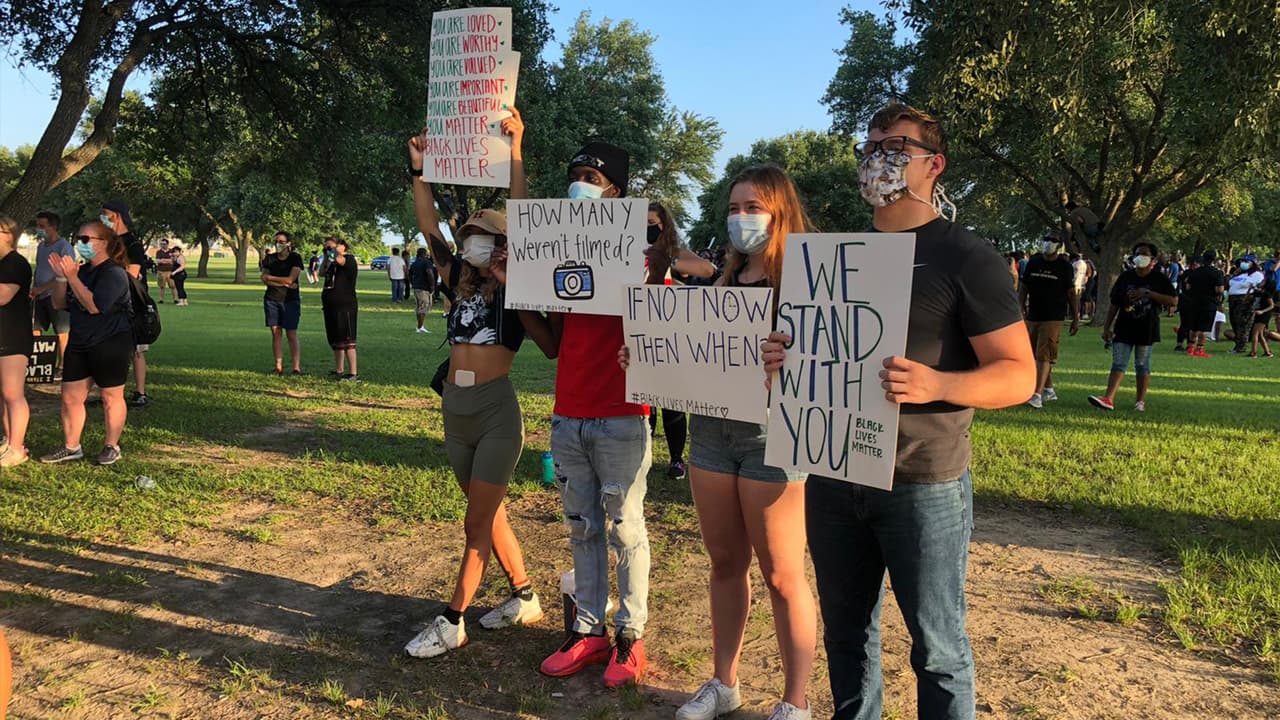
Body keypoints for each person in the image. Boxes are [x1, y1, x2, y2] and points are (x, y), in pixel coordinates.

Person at [764, 102, 1035, 720]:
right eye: (870, 147)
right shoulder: (831, 256)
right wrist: (784, 357)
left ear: (933, 164)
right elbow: (814, 351)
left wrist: (937, 382)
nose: (876, 159)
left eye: (894, 148)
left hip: (922, 482)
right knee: (846, 637)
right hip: (834, 472)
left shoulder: (967, 257)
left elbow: (1018, 374)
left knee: (937, 648)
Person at [627, 166, 816, 720]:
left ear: (781, 212)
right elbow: (686, 358)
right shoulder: (717, 289)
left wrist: (792, 361)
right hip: (710, 439)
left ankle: (795, 701)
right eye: (733, 208)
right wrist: (644, 359)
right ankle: (723, 683)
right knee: (725, 562)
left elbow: (829, 369)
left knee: (783, 575)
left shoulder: (805, 288)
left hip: (772, 441)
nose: (740, 218)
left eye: (752, 207)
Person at [506, 112, 653, 689]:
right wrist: (516, 148)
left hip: (621, 418)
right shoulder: (557, 252)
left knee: (626, 529)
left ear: (616, 191)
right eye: (575, 173)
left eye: (592, 175)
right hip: (569, 417)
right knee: (582, 528)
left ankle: (630, 637)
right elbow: (550, 343)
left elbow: (667, 331)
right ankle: (589, 631)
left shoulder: (639, 257)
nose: (581, 181)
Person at [401, 130, 560, 659]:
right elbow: (428, 226)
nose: (469, 240)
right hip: (455, 411)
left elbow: (523, 213)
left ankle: (453, 620)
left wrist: (516, 152)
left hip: (495, 413)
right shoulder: (455, 280)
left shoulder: (518, 288)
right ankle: (525, 595)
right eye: (467, 234)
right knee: (489, 515)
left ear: (501, 244)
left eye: (480, 234)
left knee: (475, 524)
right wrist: (420, 170)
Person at [41, 220, 134, 465]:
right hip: (80, 342)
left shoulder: (114, 274)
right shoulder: (81, 271)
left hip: (110, 344)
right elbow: (60, 304)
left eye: (85, 239)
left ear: (103, 243)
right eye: (77, 238)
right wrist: (62, 279)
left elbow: (94, 306)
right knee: (70, 397)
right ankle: (72, 447)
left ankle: (111, 445)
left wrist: (72, 277)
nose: (79, 244)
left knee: (110, 397)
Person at [643, 201, 716, 479]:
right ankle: (644, 454)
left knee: (671, 403)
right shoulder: (626, 251)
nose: (647, 229)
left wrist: (666, 262)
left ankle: (676, 459)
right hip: (638, 336)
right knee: (644, 400)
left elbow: (707, 269)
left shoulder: (671, 251)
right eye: (643, 224)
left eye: (652, 223)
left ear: (664, 226)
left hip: (668, 338)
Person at [1088, 242, 1178, 412]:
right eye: (1137, 253)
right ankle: (1108, 398)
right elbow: (1114, 303)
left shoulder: (1159, 278)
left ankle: (1140, 401)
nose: (1140, 257)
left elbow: (1173, 301)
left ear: (1153, 259)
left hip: (1147, 327)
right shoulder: (1126, 277)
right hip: (1124, 326)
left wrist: (1147, 293)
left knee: (1142, 364)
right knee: (1118, 363)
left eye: (1144, 254)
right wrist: (1107, 327)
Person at [1019, 232, 1079, 408]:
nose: (1048, 243)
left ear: (1059, 245)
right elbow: (1024, 286)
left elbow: (1070, 292)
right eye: (1046, 239)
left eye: (1053, 241)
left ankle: (1036, 394)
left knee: (1044, 354)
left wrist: (1075, 316)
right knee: (1033, 354)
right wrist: (1020, 306)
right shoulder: (1034, 262)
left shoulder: (1064, 266)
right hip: (1033, 314)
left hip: (1053, 315)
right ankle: (1049, 389)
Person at [102, 199, 152, 408]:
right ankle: (110, 391)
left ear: (117, 216)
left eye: (106, 214)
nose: (103, 218)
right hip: (110, 301)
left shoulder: (132, 243)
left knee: (137, 349)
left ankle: (140, 392)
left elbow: (133, 272)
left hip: (133, 302)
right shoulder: (108, 242)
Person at [0, 216, 33, 467]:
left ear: (8, 235)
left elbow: (3, 296)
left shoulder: (16, 264)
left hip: (12, 336)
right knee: (3, 394)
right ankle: (8, 441)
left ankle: (17, 447)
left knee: (13, 392)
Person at [31, 211, 73, 376]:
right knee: (35, 328)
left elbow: (66, 274)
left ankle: (63, 366)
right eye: (38, 225)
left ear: (53, 227)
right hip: (38, 296)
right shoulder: (41, 246)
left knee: (62, 331)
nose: (39, 229)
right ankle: (37, 363)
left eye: (42, 226)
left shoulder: (64, 247)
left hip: (57, 296)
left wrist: (44, 288)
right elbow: (40, 269)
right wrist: (35, 288)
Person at [261, 231, 304, 375]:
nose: (278, 244)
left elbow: (291, 279)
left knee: (291, 333)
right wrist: (283, 282)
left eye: (281, 241)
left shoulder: (295, 258)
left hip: (290, 301)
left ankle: (296, 367)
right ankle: (278, 366)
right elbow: (263, 277)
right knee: (275, 332)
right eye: (277, 241)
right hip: (272, 299)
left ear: (289, 243)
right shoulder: (270, 259)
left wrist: (274, 279)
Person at [320, 236, 359, 381]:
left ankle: (353, 373)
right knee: (336, 340)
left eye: (331, 247)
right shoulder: (331, 262)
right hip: (331, 305)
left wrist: (334, 250)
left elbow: (340, 260)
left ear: (342, 246)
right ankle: (339, 370)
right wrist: (325, 254)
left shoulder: (348, 259)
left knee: (348, 340)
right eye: (326, 248)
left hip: (345, 305)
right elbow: (322, 272)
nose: (328, 250)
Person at [1179, 250, 1225, 356]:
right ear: (1214, 259)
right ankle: (1200, 349)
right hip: (1209, 302)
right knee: (1204, 327)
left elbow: (1188, 286)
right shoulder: (1217, 273)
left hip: (1194, 301)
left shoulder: (1195, 272)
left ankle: (1190, 347)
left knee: (1193, 326)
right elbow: (1219, 290)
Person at [1227, 255, 1265, 353]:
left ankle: (1241, 347)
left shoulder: (1257, 274)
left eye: (1246, 261)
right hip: (1233, 299)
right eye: (1242, 261)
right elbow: (1229, 283)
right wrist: (1234, 274)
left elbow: (1257, 287)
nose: (1243, 263)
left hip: (1245, 300)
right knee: (1234, 322)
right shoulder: (1239, 274)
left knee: (1243, 323)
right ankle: (1238, 344)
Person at [409, 246, 436, 333]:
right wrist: (432, 285)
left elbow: (409, 274)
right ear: (425, 254)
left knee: (419, 307)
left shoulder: (414, 263)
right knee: (424, 306)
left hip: (416, 287)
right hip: (424, 288)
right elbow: (430, 273)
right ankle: (420, 327)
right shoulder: (427, 262)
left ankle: (420, 326)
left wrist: (412, 283)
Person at [1248, 277, 1275, 358]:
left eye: (1263, 281)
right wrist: (1250, 289)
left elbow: (1271, 305)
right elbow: (1247, 298)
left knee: (1254, 333)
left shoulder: (1267, 294)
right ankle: (1267, 352)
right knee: (1260, 335)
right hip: (1258, 314)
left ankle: (1254, 352)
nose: (1261, 282)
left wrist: (1262, 311)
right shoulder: (1258, 292)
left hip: (1264, 315)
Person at [154, 238, 175, 303]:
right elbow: (157, 261)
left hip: (170, 271)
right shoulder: (159, 252)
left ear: (167, 244)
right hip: (161, 271)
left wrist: (163, 260)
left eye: (164, 244)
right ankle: (161, 299)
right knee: (162, 286)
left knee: (173, 286)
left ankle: (175, 299)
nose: (163, 245)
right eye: (161, 244)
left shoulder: (171, 251)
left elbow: (172, 261)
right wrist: (167, 260)